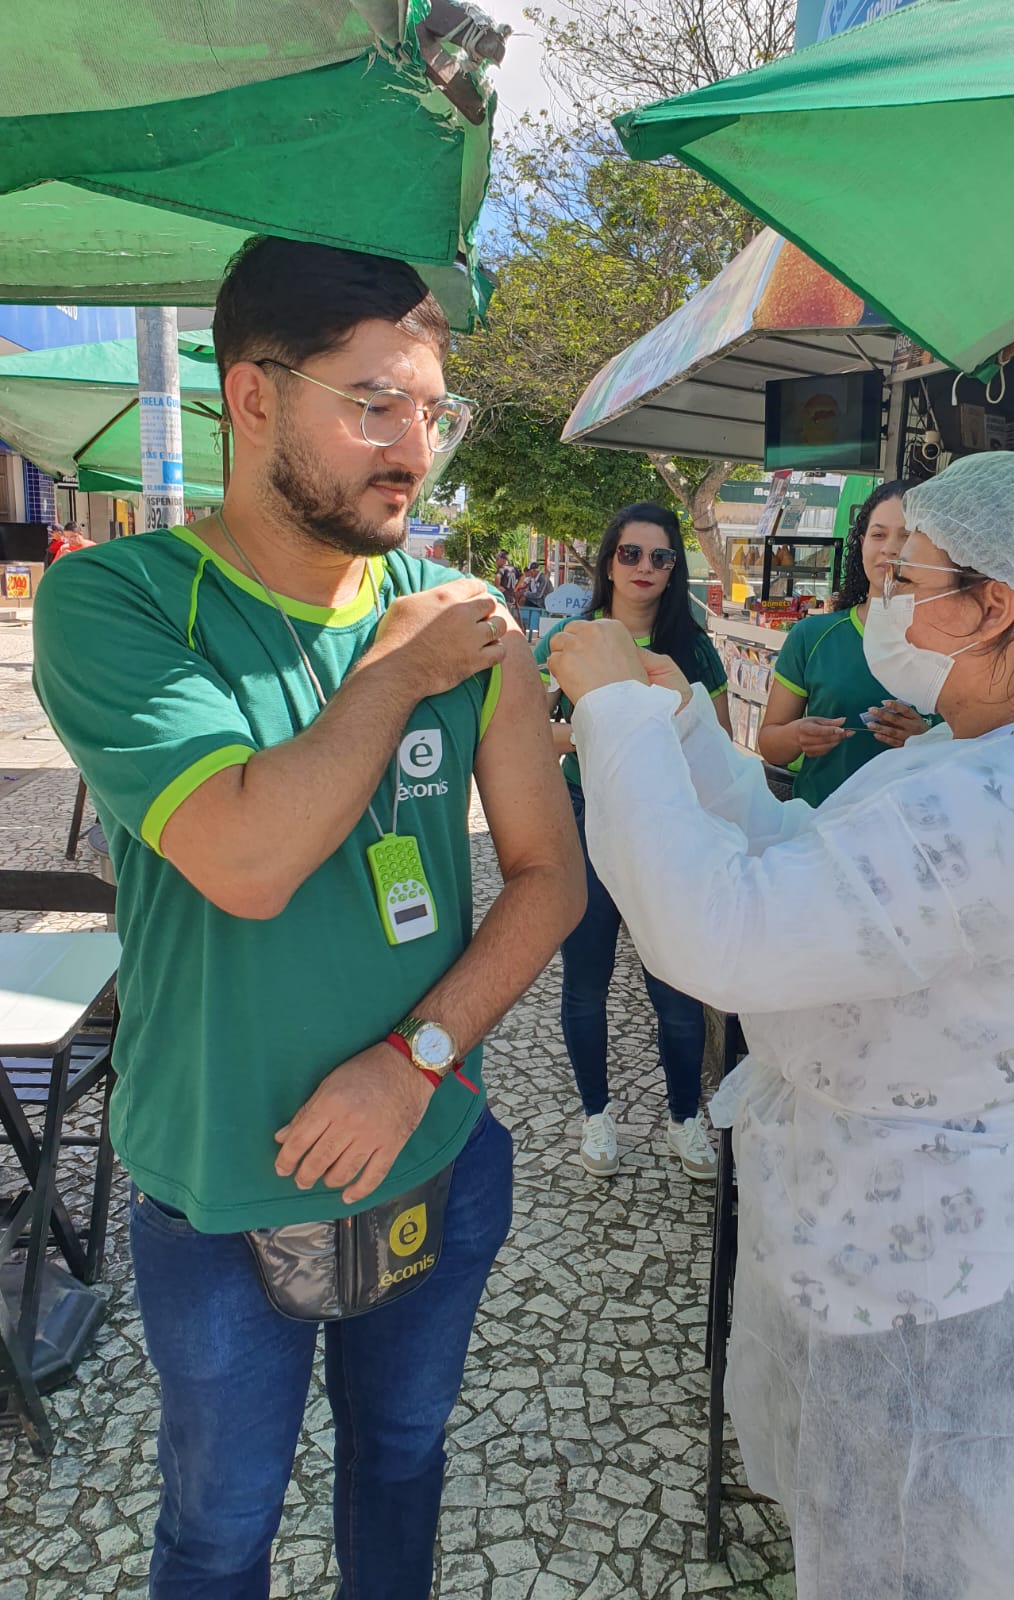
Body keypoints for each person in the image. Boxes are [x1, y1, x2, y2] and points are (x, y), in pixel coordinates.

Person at [33, 235, 585, 1600]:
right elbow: (247, 860)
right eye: (373, 404)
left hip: (435, 1159)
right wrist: (391, 677)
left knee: (402, 1466)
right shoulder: (124, 601)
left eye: (429, 412)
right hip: (220, 1188)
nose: (412, 450)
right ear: (255, 396)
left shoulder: (464, 619)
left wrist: (417, 1063)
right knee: (219, 1526)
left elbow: (549, 876)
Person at [550, 452, 1014, 1599]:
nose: (879, 585)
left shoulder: (989, 802)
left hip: (925, 1262)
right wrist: (684, 725)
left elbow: (720, 933)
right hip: (912, 1215)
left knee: (903, 1557)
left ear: (996, 607)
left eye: (906, 568)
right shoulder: (1001, 752)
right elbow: (797, 861)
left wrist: (615, 706)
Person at [534, 503, 733, 1181]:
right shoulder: (572, 639)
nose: (646, 568)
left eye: (662, 557)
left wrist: (621, 725)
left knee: (675, 986)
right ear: (609, 560)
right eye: (631, 554)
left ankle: (685, 1118)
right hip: (585, 818)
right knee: (584, 982)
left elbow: (719, 740)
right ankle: (596, 1115)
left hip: (668, 824)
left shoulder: (693, 644)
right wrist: (603, 729)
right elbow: (526, 731)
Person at [758, 480, 930, 804]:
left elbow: (990, 750)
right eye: (878, 535)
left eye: (906, 535)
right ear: (862, 544)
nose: (890, 548)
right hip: (821, 831)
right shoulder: (812, 636)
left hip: (919, 834)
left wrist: (928, 742)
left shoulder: (962, 645)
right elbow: (769, 744)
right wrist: (798, 736)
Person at [519, 561, 551, 632]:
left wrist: (525, 593)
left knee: (523, 598)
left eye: (530, 572)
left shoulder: (542, 578)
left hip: (542, 602)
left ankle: (520, 620)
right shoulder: (532, 578)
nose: (529, 574)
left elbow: (538, 595)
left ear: (534, 571)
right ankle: (521, 620)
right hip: (536, 600)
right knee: (520, 597)